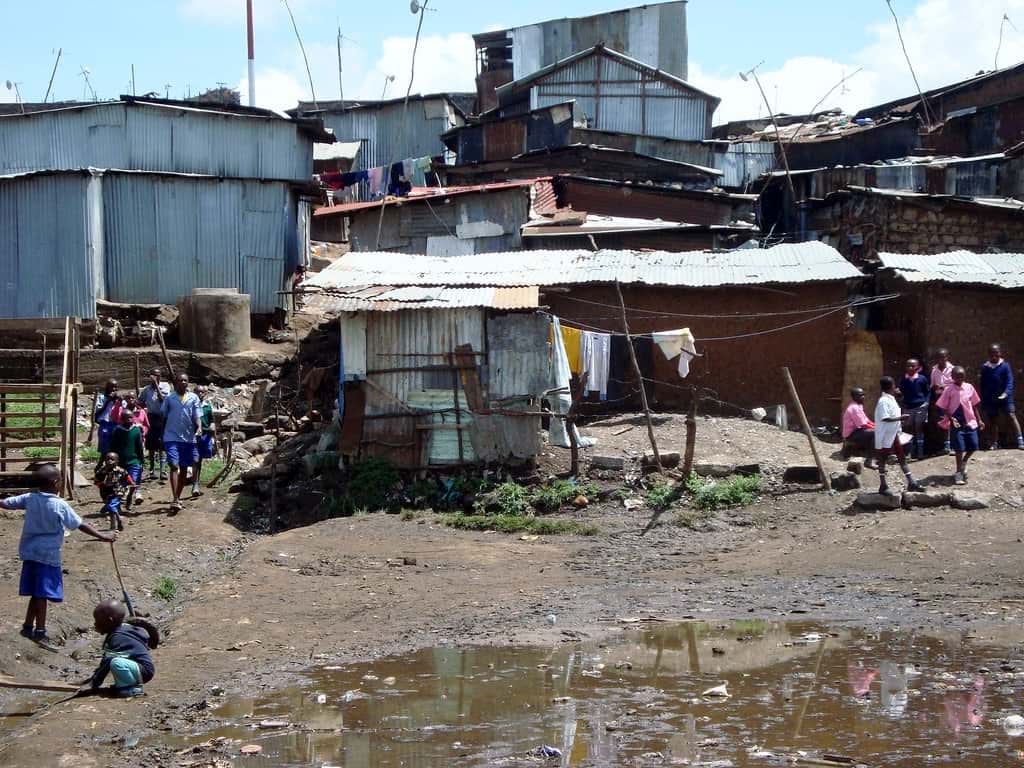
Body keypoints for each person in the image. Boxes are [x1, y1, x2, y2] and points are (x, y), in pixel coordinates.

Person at [0, 464, 114, 647]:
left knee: (36, 593)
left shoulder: (30, 498)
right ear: (55, 483)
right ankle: (40, 632)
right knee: (42, 594)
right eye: (61, 480)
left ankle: (28, 627)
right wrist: (103, 536)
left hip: (29, 553)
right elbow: (79, 524)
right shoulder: (59, 504)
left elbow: (6, 503)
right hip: (47, 556)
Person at [85, 599, 158, 698]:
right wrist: (92, 679)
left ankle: (131, 690)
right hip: (140, 668)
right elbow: (104, 660)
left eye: (97, 621)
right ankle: (125, 685)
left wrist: (93, 684)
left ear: (109, 621)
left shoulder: (117, 637)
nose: (95, 624)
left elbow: (107, 662)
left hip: (143, 671)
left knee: (116, 663)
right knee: (114, 660)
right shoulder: (123, 628)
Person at [874, 376, 924, 495]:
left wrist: (899, 421)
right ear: (892, 386)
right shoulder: (883, 401)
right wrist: (900, 418)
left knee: (901, 457)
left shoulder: (890, 399)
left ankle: (911, 482)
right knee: (882, 459)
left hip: (893, 434)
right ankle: (883, 485)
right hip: (885, 436)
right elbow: (885, 418)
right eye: (894, 385)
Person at [936, 366, 985, 486]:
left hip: (970, 421)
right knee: (959, 448)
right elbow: (943, 406)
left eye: (962, 376)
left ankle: (964, 461)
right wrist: (951, 418)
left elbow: (974, 405)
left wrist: (979, 420)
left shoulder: (969, 387)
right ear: (952, 377)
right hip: (956, 423)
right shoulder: (949, 390)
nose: (960, 378)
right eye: (957, 376)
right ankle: (958, 473)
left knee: (974, 445)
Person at [161, 373, 202, 513]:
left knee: (184, 468)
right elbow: (164, 417)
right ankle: (175, 498)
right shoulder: (169, 399)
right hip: (171, 437)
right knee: (174, 465)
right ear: (175, 383)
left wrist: (199, 427)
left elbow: (197, 416)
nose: (183, 382)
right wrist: (162, 436)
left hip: (188, 438)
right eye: (180, 380)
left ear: (188, 382)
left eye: (186, 380)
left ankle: (177, 497)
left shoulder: (194, 398)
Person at [979, 343, 1024, 450]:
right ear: (989, 355)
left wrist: (1006, 393)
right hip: (991, 398)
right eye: (992, 354)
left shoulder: (1005, 366)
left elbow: (1010, 381)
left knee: (1011, 415)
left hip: (1005, 397)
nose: (994, 356)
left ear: (1000, 353)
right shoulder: (985, 368)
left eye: (996, 353)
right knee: (993, 420)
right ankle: (994, 442)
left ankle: (1020, 440)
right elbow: (983, 384)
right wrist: (985, 400)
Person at [138, 369, 171, 483]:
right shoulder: (146, 390)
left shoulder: (165, 386)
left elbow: (163, 400)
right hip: (151, 417)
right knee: (151, 445)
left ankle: (163, 470)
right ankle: (152, 470)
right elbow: (140, 401)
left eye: (157, 376)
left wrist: (157, 385)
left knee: (162, 443)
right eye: (153, 376)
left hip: (162, 418)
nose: (155, 378)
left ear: (160, 377)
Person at [110, 410, 146, 508]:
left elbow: (139, 446)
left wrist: (142, 460)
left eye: (131, 417)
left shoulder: (136, 430)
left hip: (134, 461)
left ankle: (130, 496)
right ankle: (120, 501)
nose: (129, 420)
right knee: (121, 482)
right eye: (127, 418)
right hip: (121, 461)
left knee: (133, 482)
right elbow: (113, 446)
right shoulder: (118, 430)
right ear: (122, 419)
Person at [898, 358, 930, 459]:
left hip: (920, 407)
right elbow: (901, 392)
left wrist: (926, 402)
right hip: (908, 407)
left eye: (912, 366)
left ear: (918, 368)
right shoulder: (903, 379)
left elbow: (927, 391)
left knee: (919, 428)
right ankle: (910, 453)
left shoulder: (922, 379)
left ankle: (920, 453)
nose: (910, 368)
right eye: (908, 366)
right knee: (908, 429)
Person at [95, 452, 134, 531]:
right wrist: (102, 484)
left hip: (117, 492)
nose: (109, 461)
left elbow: (127, 476)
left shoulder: (120, 470)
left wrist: (131, 483)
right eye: (107, 459)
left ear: (117, 461)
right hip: (105, 492)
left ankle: (113, 526)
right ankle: (119, 520)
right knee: (111, 507)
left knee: (111, 506)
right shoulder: (101, 471)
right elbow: (96, 481)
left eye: (112, 459)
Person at [192, 385, 216, 498]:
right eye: (198, 392)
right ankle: (195, 485)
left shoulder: (207, 407)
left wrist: (212, 427)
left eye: (202, 392)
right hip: (193, 436)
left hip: (205, 436)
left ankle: (196, 481)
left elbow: (211, 421)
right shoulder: (190, 406)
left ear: (204, 394)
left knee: (200, 460)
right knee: (195, 459)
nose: (200, 394)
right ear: (194, 393)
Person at [841, 387, 876, 468]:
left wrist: (876, 425)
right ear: (854, 397)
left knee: (874, 431)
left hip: (856, 431)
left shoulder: (858, 406)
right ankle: (869, 461)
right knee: (875, 433)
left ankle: (866, 453)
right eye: (860, 395)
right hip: (851, 435)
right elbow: (863, 424)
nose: (863, 397)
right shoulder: (854, 408)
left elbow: (867, 421)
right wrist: (877, 429)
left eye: (863, 394)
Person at [931, 348, 955, 455]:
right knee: (943, 422)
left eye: (943, 357)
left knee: (953, 421)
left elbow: (955, 384)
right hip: (940, 401)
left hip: (952, 400)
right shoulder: (934, 370)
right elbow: (933, 386)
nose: (941, 359)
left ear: (947, 357)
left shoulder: (952, 369)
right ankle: (946, 445)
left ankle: (954, 445)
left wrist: (943, 387)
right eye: (939, 357)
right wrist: (937, 388)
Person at [94, 379, 121, 456]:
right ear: (107, 387)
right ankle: (104, 463)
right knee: (105, 447)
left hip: (116, 424)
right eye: (111, 387)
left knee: (116, 446)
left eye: (115, 387)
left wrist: (119, 400)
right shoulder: (102, 397)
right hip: (105, 424)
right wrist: (108, 400)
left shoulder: (118, 399)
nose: (113, 389)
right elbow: (98, 411)